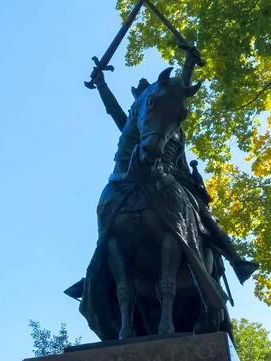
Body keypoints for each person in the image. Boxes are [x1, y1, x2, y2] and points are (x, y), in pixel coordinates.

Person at [92, 46, 258, 285]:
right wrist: (101, 85)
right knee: (109, 209)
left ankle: (236, 260)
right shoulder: (138, 125)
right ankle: (101, 267)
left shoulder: (170, 123)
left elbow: (180, 91)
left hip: (175, 177)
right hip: (136, 174)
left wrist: (188, 65)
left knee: (203, 212)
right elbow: (114, 111)